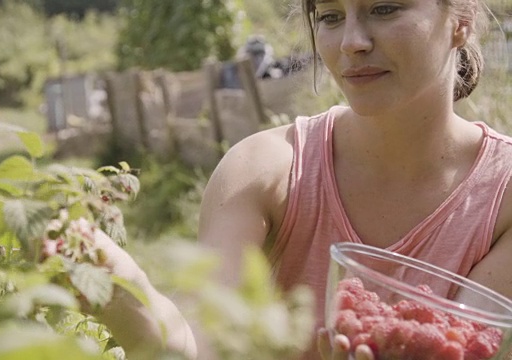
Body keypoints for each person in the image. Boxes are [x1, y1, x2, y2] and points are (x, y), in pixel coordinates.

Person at [87, 0, 512, 358]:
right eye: (329, 16)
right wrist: (122, 289)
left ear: (463, 18)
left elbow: (460, 341)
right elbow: (199, 344)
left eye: (383, 9)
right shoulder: (264, 170)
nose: (352, 42)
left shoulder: (503, 191)